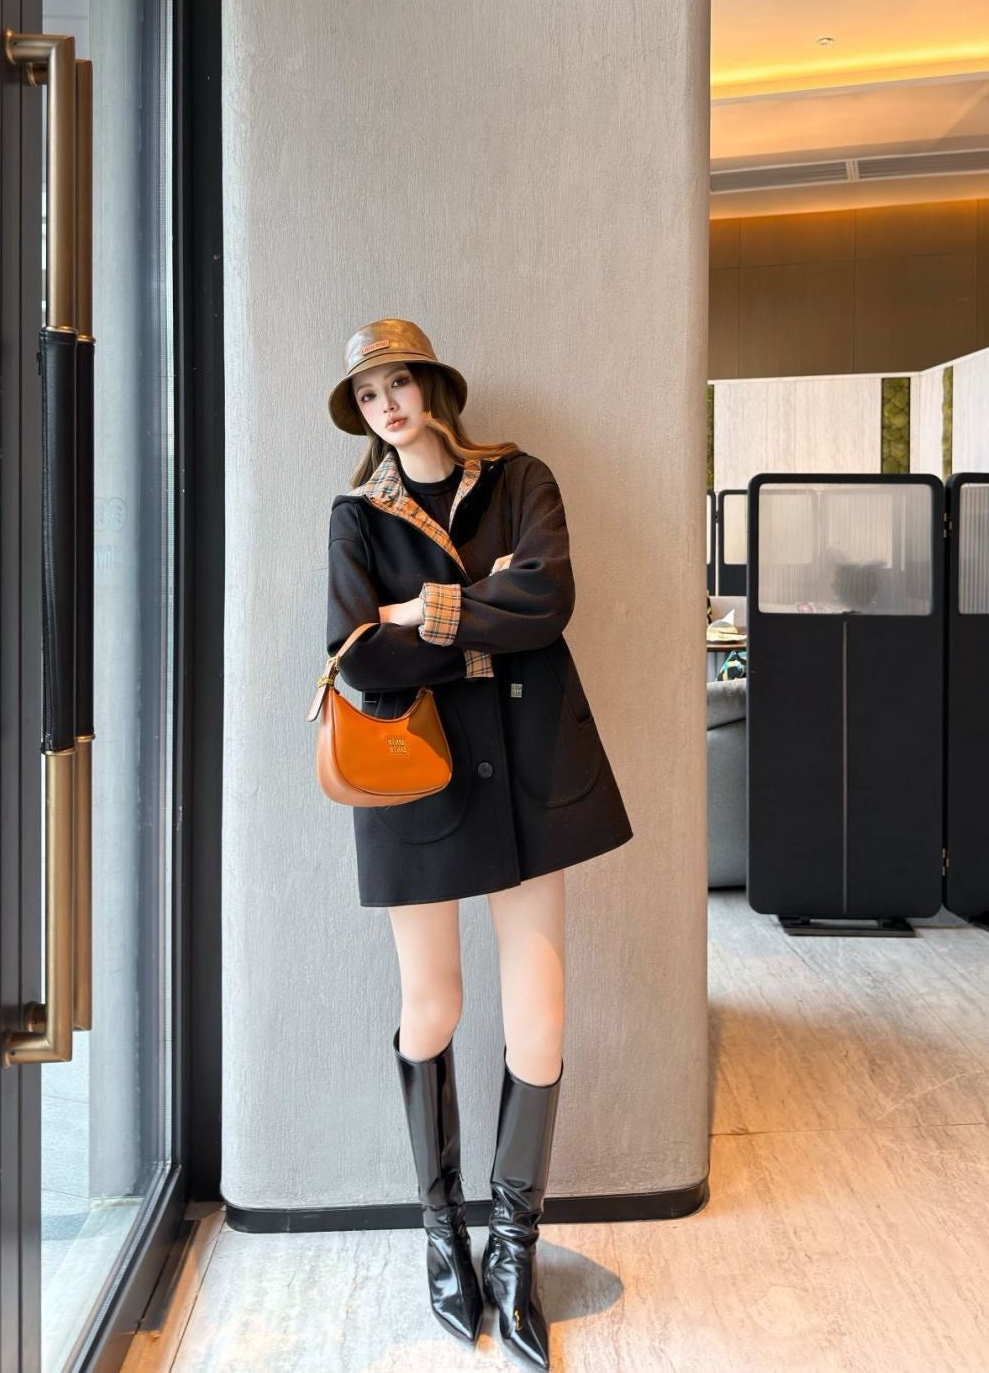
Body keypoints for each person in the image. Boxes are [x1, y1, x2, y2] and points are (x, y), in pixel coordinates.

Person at [325, 317, 634, 1369]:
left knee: (539, 1023)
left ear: (433, 386)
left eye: (398, 384)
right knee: (434, 1007)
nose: (387, 407)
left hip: (531, 774)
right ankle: (440, 1235)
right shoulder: (357, 515)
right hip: (414, 779)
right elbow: (359, 658)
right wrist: (473, 612)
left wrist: (421, 611)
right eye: (369, 396)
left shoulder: (521, 476)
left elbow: (548, 601)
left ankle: (513, 1247)